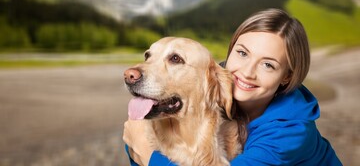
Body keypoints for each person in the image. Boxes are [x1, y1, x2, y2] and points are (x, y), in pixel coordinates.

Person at [123, 8, 342, 165]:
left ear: (286, 77)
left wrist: (148, 155)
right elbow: (135, 139)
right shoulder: (216, 81)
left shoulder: (289, 133)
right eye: (242, 53)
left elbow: (141, 149)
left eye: (268, 65)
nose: (247, 72)